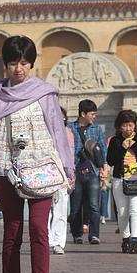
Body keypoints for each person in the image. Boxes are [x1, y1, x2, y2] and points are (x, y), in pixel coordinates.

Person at [0, 35, 74, 273]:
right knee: (12, 232)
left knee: (40, 229)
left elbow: (57, 133)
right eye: (14, 62)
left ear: (32, 63)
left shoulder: (45, 94)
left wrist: (67, 167)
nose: (19, 68)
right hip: (7, 172)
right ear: (6, 64)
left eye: (25, 62)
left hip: (42, 172)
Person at [106, 110, 137, 254]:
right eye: (124, 125)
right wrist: (122, 148)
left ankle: (135, 241)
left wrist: (134, 146)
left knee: (135, 211)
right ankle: (126, 238)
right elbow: (111, 161)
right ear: (119, 127)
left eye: (130, 125)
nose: (128, 128)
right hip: (120, 180)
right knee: (123, 212)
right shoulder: (115, 141)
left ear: (135, 125)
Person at [68, 99, 108, 245]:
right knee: (75, 206)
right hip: (75, 171)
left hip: (93, 171)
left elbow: (102, 150)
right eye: (92, 114)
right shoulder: (70, 128)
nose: (94, 117)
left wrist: (103, 169)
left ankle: (94, 234)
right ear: (83, 114)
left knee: (93, 205)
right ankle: (77, 234)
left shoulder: (97, 130)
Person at [48, 107, 74, 255]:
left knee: (61, 209)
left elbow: (71, 154)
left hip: (63, 174)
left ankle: (58, 242)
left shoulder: (69, 133)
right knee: (45, 211)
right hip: (46, 174)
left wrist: (71, 173)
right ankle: (46, 240)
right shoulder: (44, 132)